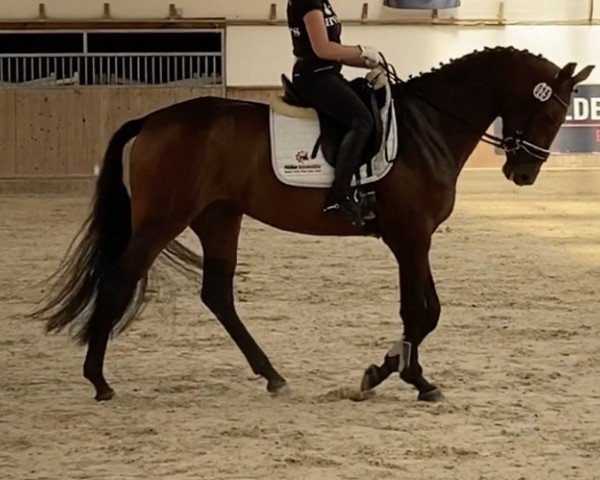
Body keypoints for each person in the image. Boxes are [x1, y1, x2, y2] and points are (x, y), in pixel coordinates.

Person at [286, 0, 383, 226]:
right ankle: (339, 196)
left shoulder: (322, 2)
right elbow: (323, 48)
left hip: (328, 73)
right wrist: (360, 50)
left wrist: (368, 61)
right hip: (313, 77)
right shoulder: (308, 1)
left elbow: (334, 51)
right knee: (362, 121)